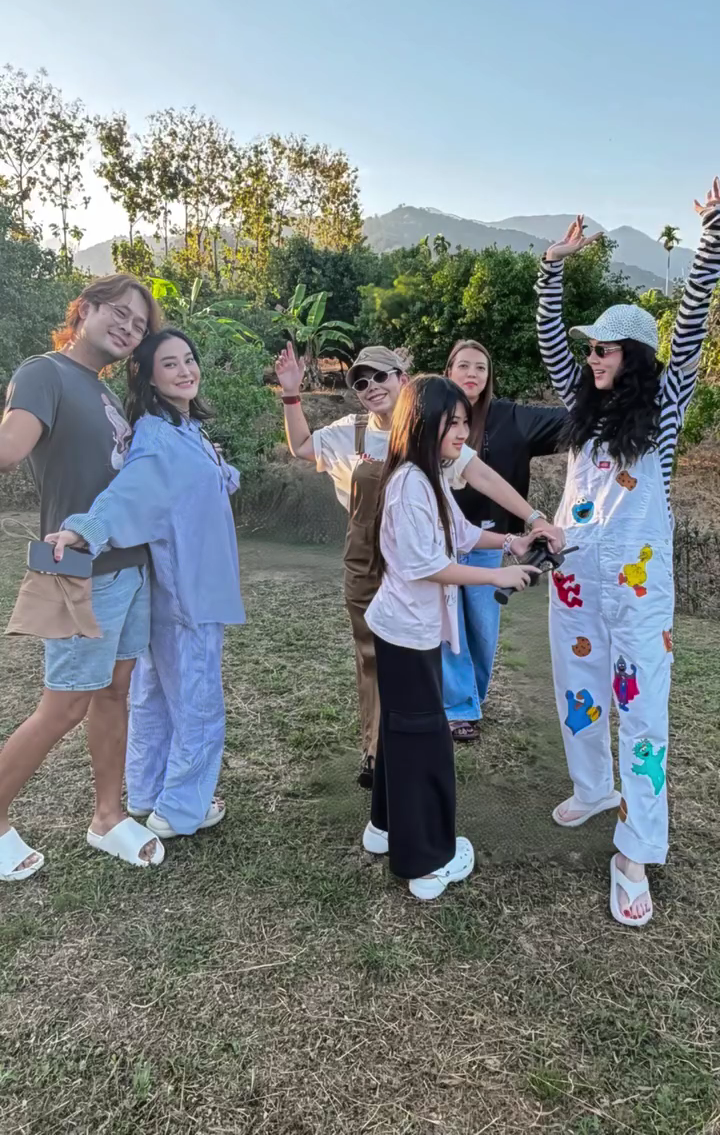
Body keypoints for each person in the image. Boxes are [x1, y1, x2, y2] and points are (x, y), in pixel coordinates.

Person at [535, 182, 720, 927]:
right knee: (578, 692)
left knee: (644, 717)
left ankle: (634, 851)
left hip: (640, 593)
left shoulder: (665, 408)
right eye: (591, 348)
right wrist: (553, 265)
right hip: (576, 580)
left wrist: (712, 235)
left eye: (603, 349)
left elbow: (695, 326)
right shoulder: (581, 408)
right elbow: (551, 341)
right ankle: (592, 789)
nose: (590, 358)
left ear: (634, 356)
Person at [275, 342, 563, 788]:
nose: (371, 387)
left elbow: (478, 487)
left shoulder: (430, 442)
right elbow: (302, 447)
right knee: (374, 658)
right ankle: (379, 754)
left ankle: (405, 755)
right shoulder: (355, 436)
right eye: (361, 382)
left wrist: (529, 524)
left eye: (380, 376)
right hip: (369, 563)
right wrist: (292, 394)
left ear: (403, 380)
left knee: (424, 661)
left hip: (417, 574)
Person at [45, 328, 245, 842]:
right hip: (188, 589)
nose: (185, 370)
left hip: (182, 586)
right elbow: (128, 493)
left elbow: (201, 482)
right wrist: (85, 529)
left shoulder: (184, 429)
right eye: (170, 364)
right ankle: (181, 809)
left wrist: (223, 471)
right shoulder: (158, 436)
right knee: (198, 700)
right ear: (150, 378)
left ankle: (148, 791)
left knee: (156, 691)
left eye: (189, 359)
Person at [0, 274, 164, 882]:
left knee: (115, 692)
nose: (128, 328)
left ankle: (107, 817)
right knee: (63, 705)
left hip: (128, 566)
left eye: (139, 325)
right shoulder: (44, 373)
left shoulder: (104, 390)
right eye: (118, 313)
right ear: (86, 309)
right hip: (80, 573)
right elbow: (9, 449)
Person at [362, 375, 539, 900]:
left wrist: (512, 542)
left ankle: (384, 827)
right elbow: (427, 564)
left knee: (402, 731)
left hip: (407, 630)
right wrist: (496, 575)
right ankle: (427, 863)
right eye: (453, 422)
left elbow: (460, 534)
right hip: (406, 633)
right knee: (425, 741)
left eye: (466, 422)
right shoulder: (409, 486)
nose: (464, 432)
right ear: (422, 424)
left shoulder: (429, 477)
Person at [442, 340, 567, 740]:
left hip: (490, 539)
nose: (472, 374)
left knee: (482, 628)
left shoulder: (510, 417)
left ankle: (471, 698)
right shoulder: (432, 417)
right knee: (447, 626)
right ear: (448, 371)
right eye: (464, 365)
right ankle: (458, 708)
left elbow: (571, 422)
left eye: (481, 367)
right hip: (440, 540)